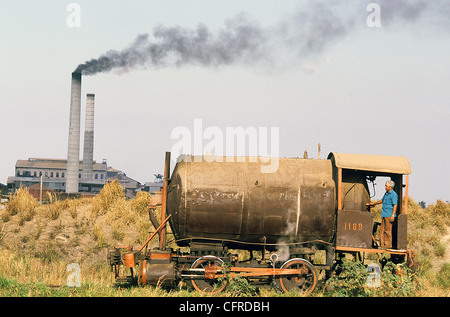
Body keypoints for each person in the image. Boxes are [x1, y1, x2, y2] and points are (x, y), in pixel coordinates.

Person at [366, 180, 398, 249]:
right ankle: (382, 245)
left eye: (386, 186)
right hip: (384, 214)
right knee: (382, 230)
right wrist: (373, 203)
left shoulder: (394, 195)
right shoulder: (386, 193)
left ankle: (388, 245)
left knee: (388, 231)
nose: (385, 187)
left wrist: (393, 215)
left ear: (390, 187)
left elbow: (395, 205)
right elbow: (381, 200)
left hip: (389, 215)